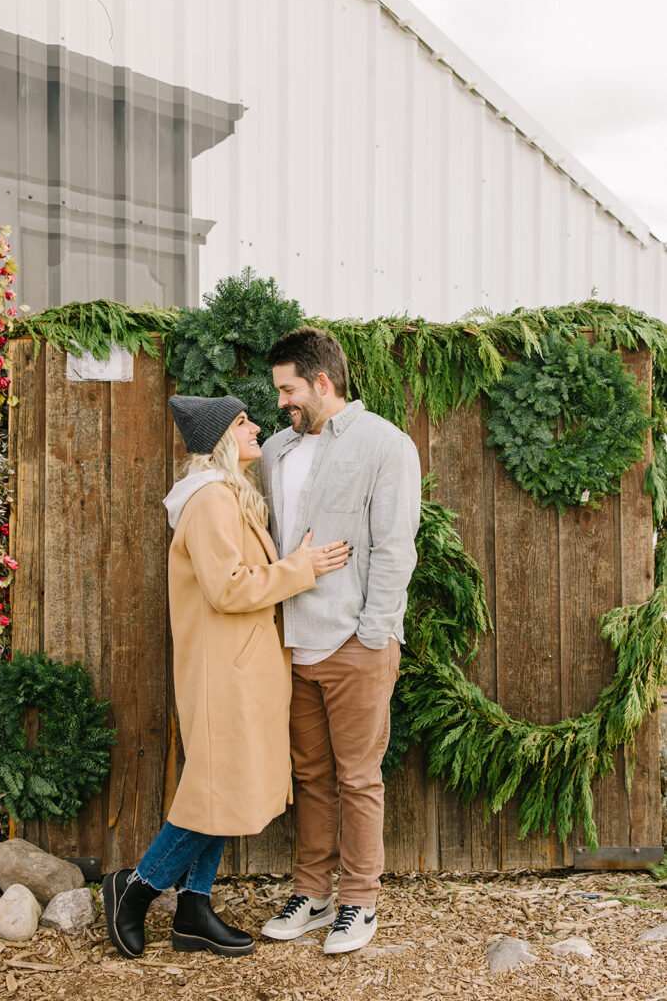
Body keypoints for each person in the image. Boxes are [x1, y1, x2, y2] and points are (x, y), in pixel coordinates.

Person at [103, 394, 350, 960]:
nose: (255, 427)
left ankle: (193, 909)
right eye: (242, 423)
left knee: (228, 791)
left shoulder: (226, 496)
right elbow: (229, 587)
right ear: (219, 438)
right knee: (215, 793)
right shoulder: (212, 499)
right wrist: (301, 569)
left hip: (239, 670)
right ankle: (135, 890)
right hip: (224, 676)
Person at [259, 327, 421, 954]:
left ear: (322, 383)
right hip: (292, 643)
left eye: (289, 388)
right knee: (311, 775)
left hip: (355, 642)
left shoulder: (387, 445)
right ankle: (312, 891)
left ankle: (359, 901)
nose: (281, 401)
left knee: (358, 777)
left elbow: (395, 548)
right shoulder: (275, 450)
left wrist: (373, 632)